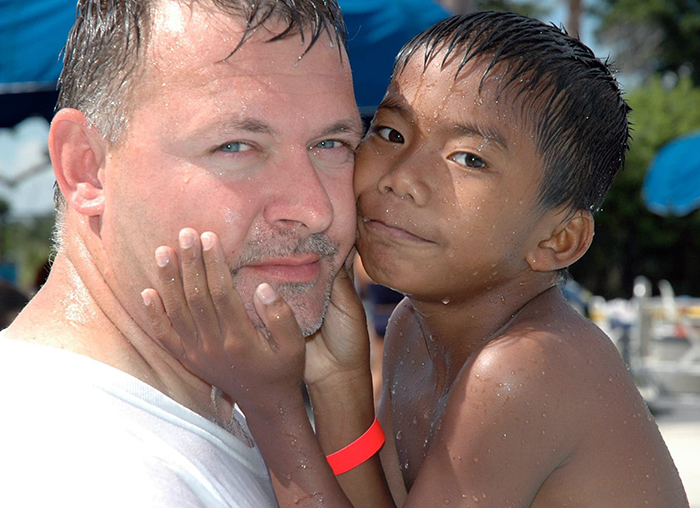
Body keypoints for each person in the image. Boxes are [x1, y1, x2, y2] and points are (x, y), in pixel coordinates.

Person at [142, 11, 689, 508]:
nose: (401, 176)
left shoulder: (527, 368)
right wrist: (338, 382)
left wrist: (272, 406)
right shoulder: (412, 329)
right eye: (390, 132)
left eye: (469, 158)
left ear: (559, 239)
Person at [0, 0, 365, 506]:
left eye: (332, 144)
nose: (314, 208)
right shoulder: (87, 477)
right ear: (86, 167)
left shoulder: (216, 400)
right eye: (236, 146)